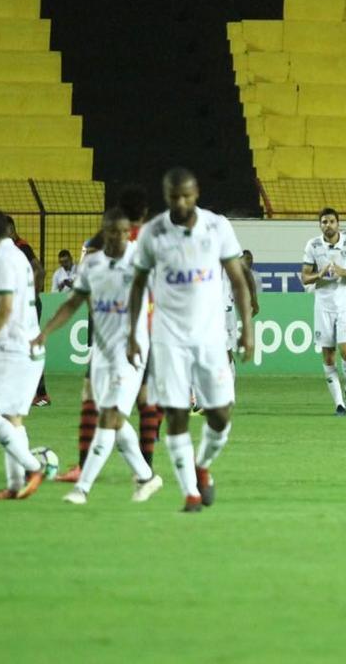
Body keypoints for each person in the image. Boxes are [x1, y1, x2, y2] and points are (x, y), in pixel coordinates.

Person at [126, 168, 254, 513]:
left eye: (186, 196)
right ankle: (190, 493)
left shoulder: (217, 227)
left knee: (220, 416)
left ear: (196, 193)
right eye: (174, 197)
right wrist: (133, 333)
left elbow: (238, 279)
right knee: (177, 415)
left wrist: (248, 328)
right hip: (168, 338)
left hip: (210, 338)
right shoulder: (153, 233)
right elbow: (137, 285)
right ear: (166, 196)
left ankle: (202, 464)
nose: (180, 203)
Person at [31, 207, 164, 504]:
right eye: (113, 232)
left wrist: (133, 338)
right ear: (105, 232)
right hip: (102, 352)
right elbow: (73, 302)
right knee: (116, 422)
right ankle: (146, 477)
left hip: (131, 352)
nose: (119, 237)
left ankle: (82, 489)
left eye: (123, 232)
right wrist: (45, 331)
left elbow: (138, 301)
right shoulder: (92, 264)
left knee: (109, 417)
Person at [0, 209, 49, 500]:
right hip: (30, 347)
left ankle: (33, 467)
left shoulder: (2, 259)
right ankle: (15, 486)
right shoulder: (16, 256)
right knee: (12, 418)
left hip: (12, 349)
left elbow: (4, 308)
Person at [301, 208, 346, 415]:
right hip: (323, 305)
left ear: (338, 223)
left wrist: (342, 272)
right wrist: (319, 274)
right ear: (320, 225)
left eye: (331, 221)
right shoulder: (313, 245)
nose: (327, 225)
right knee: (328, 356)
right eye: (324, 222)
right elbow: (305, 278)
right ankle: (339, 404)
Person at [5, 215, 52, 407]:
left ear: (10, 229)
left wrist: (32, 296)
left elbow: (40, 270)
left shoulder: (22, 247)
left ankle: (41, 394)